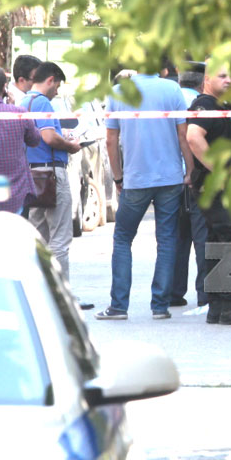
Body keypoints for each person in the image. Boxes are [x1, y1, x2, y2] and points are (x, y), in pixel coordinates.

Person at [95, 69, 193, 321]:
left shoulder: (118, 92)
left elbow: (110, 140)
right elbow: (183, 135)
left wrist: (118, 177)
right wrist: (190, 170)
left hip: (136, 178)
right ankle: (160, 306)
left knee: (123, 239)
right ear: (163, 69)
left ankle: (119, 306)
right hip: (170, 178)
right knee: (167, 240)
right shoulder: (172, 90)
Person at [186, 64, 231, 325]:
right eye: (222, 76)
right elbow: (193, 137)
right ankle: (229, 306)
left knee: (218, 242)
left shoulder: (224, 106)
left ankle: (217, 307)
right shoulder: (204, 105)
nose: (229, 80)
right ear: (207, 79)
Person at [20, 62, 82, 282]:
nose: (57, 92)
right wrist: (70, 145)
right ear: (50, 80)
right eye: (57, 86)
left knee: (39, 238)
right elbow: (48, 137)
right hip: (52, 174)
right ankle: (61, 293)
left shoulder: (24, 102)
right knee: (60, 239)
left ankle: (41, 290)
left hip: (33, 175)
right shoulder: (43, 102)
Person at [0, 66, 41, 212]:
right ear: (4, 87)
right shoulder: (19, 114)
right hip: (14, 194)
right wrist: (13, 108)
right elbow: (35, 140)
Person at [171, 61, 209, 308]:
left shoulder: (170, 102)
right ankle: (204, 294)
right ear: (203, 82)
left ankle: (173, 292)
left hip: (172, 179)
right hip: (196, 178)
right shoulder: (204, 105)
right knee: (202, 236)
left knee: (175, 238)